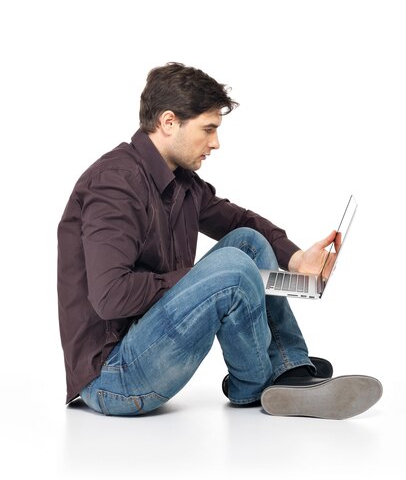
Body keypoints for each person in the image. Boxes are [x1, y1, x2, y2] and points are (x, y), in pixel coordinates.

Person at [57, 62, 382, 419]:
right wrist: (205, 278)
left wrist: (296, 260)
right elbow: (110, 297)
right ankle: (255, 385)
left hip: (148, 344)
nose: (215, 143)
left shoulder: (182, 182)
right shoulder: (114, 183)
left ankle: (288, 368)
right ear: (168, 122)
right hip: (113, 377)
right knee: (232, 267)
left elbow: (240, 221)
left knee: (247, 243)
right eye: (208, 129)